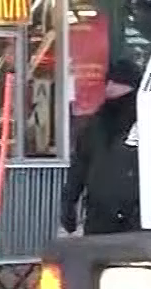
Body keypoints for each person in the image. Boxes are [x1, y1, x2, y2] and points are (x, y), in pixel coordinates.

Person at [60, 58, 142, 235]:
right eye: (109, 81)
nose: (110, 87)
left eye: (117, 82)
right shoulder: (96, 124)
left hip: (136, 217)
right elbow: (80, 166)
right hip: (99, 215)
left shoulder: (147, 123)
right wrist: (69, 202)